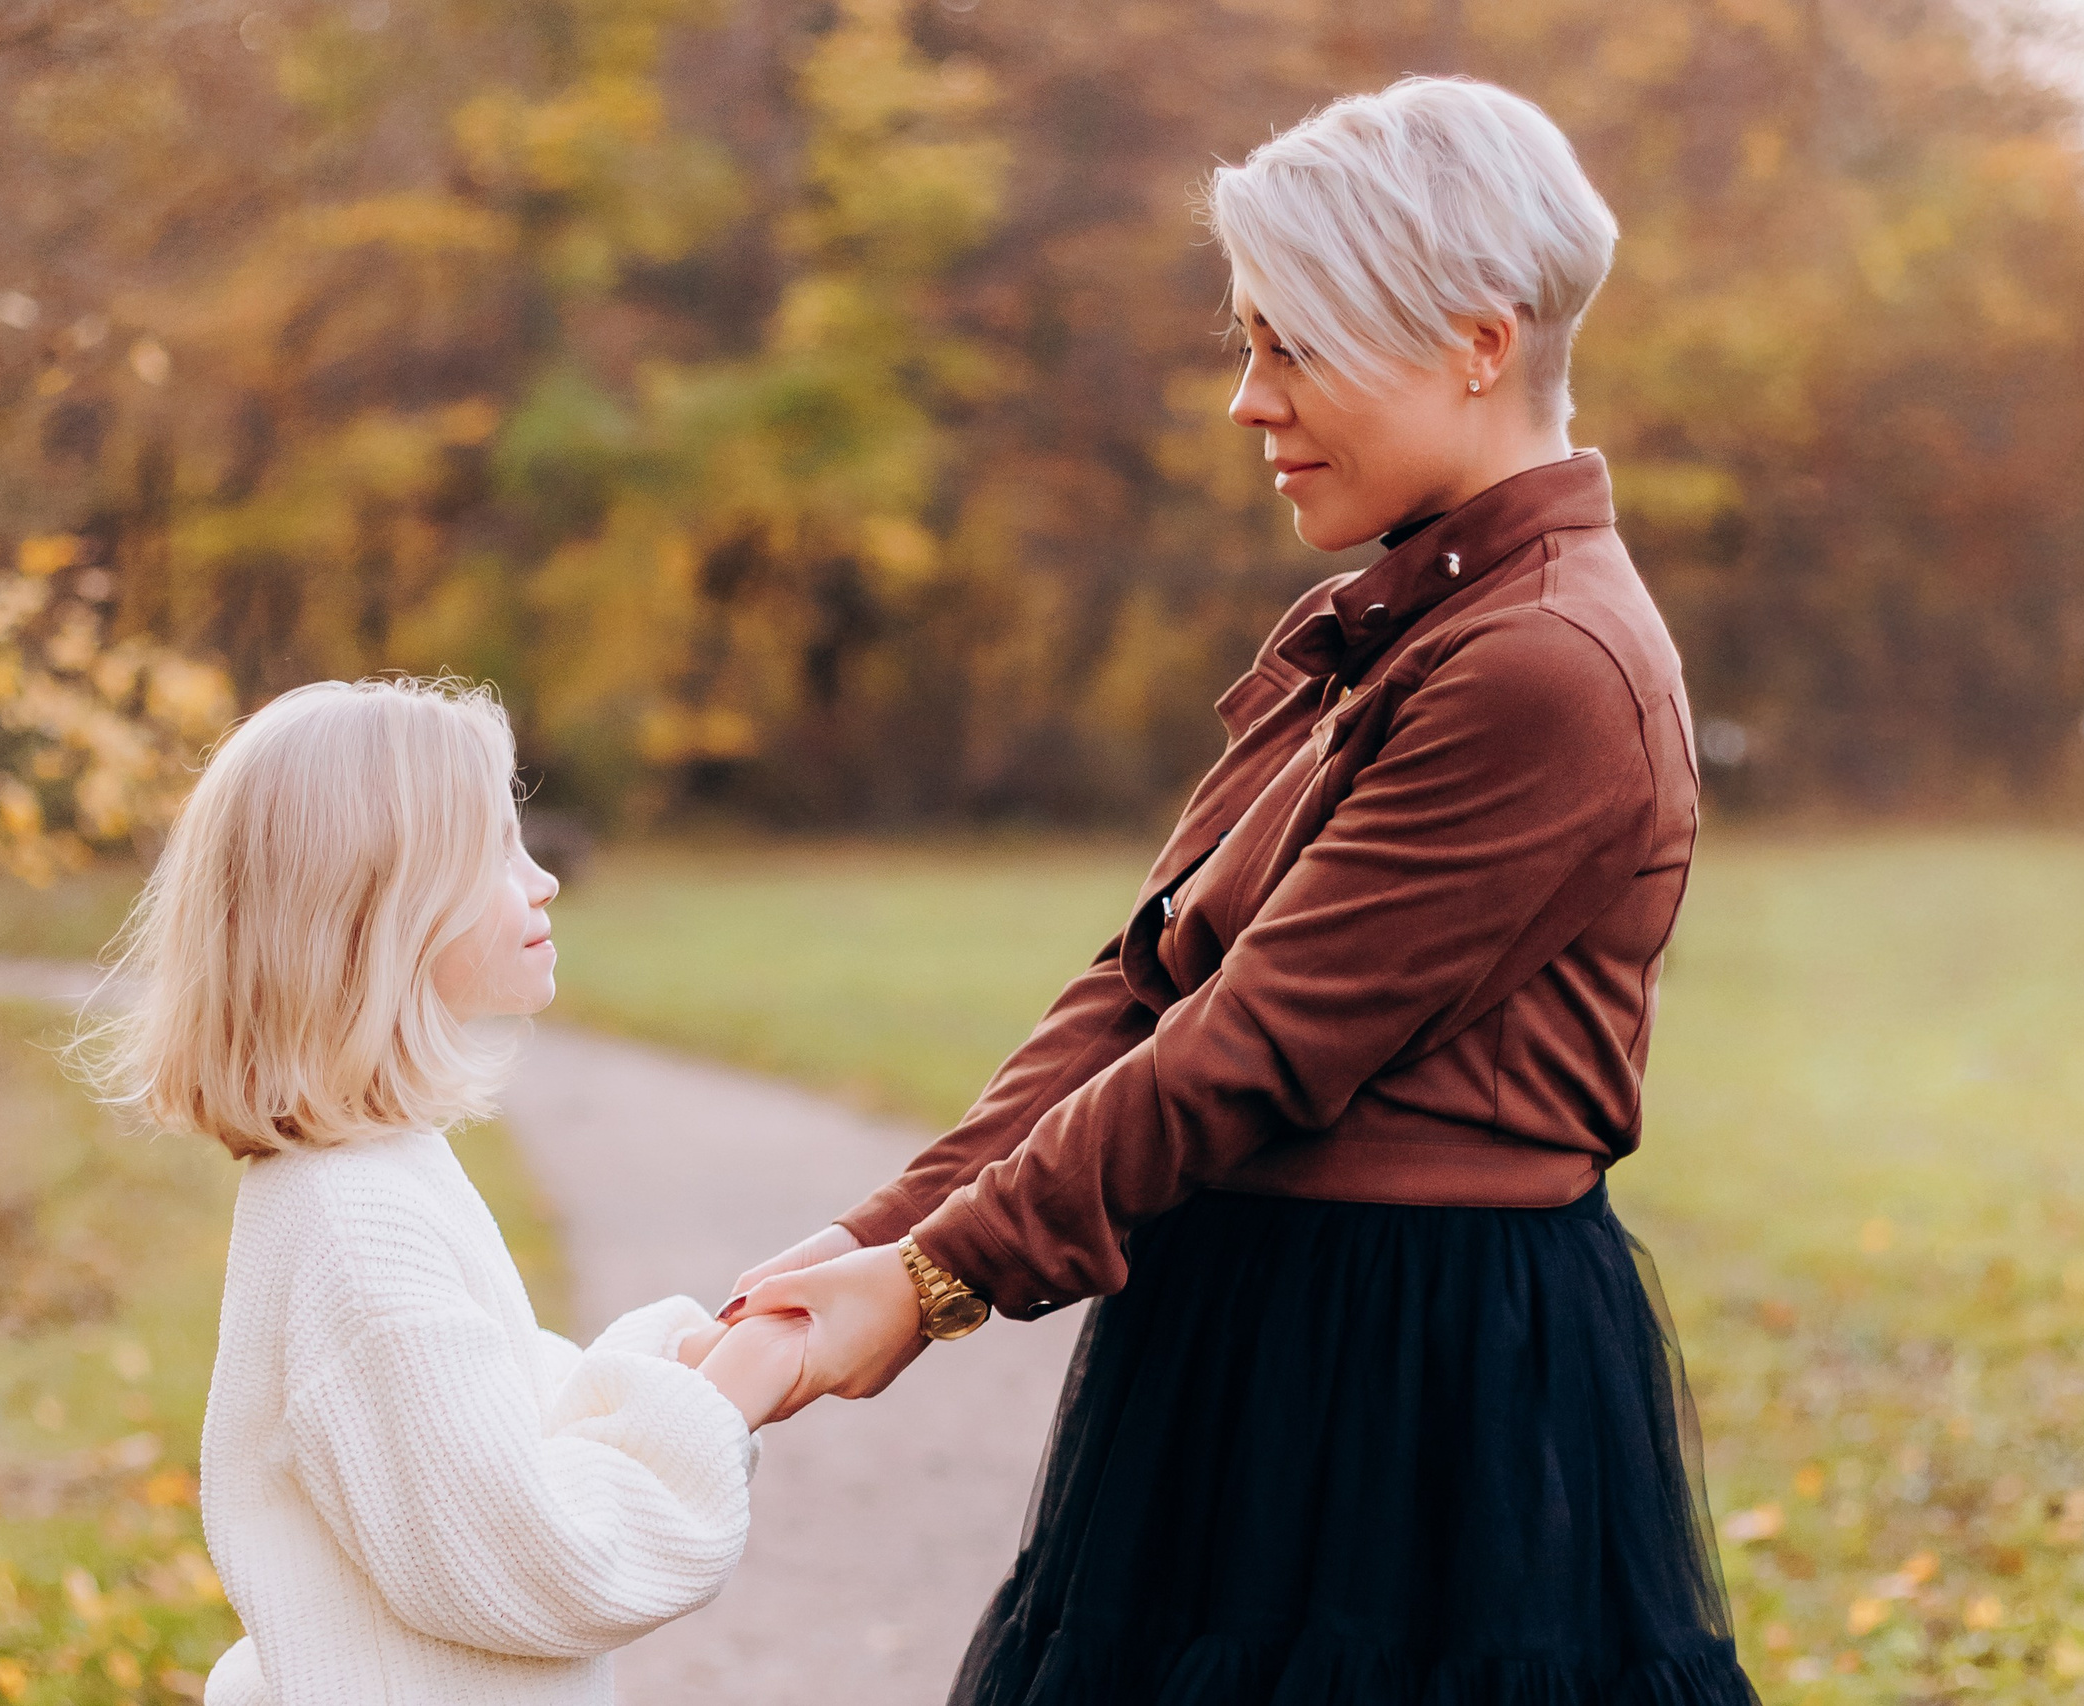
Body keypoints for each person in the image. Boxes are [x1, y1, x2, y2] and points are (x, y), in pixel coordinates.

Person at [725, 77, 1762, 1705]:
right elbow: (1144, 987)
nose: (1248, 401)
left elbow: (1253, 1048)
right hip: (1256, 1337)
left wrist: (932, 1287)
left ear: (1477, 343)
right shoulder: (1397, 625)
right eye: (1251, 344)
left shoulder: (1544, 662)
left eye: (1293, 346)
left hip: (1412, 1386)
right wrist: (876, 1233)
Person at [79, 677, 808, 1706]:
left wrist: (676, 1364)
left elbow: (483, 1418)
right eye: (497, 853)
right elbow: (527, 1560)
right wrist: (719, 1405)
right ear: (379, 907)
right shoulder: (358, 1225)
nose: (543, 879)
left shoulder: (378, 1168)